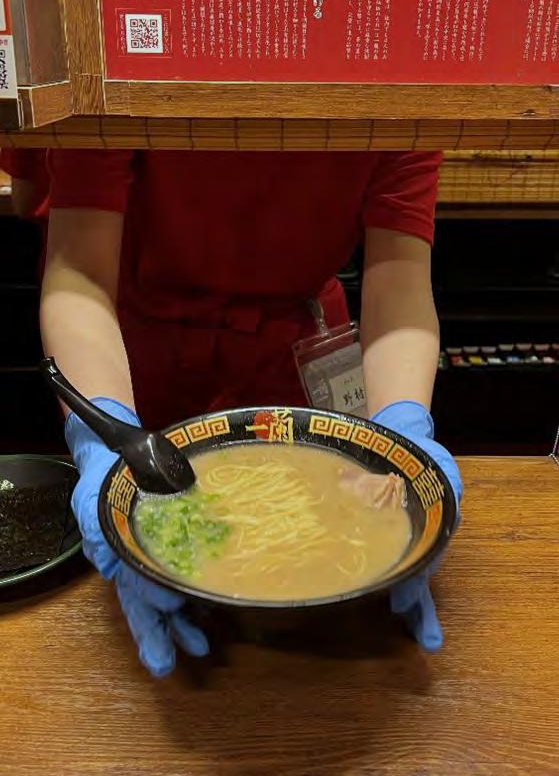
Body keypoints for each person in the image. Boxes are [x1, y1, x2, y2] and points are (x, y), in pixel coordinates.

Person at [38, 148, 462, 676]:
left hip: (294, 355)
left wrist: (402, 427)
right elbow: (80, 270)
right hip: (132, 362)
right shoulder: (107, 91)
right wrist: (101, 435)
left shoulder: (398, 98)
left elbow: (398, 275)